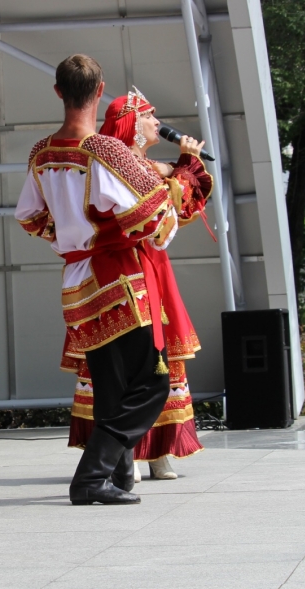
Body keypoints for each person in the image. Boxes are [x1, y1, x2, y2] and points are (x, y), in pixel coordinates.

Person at [15, 55, 184, 506]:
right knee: (151, 383)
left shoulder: (41, 153)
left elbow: (29, 217)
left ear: (58, 92)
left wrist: (69, 236)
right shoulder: (105, 150)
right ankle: (91, 477)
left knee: (112, 385)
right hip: (119, 277)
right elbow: (154, 219)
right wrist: (122, 228)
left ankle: (118, 475)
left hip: (76, 279)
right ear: (100, 90)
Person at [63, 87, 213, 481]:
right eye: (149, 116)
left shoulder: (135, 163)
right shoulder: (124, 166)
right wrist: (186, 164)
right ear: (131, 123)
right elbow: (173, 207)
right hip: (133, 266)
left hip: (145, 265)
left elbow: (171, 192)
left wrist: (178, 166)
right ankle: (124, 455)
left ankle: (142, 452)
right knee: (145, 364)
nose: (156, 123)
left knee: (147, 361)